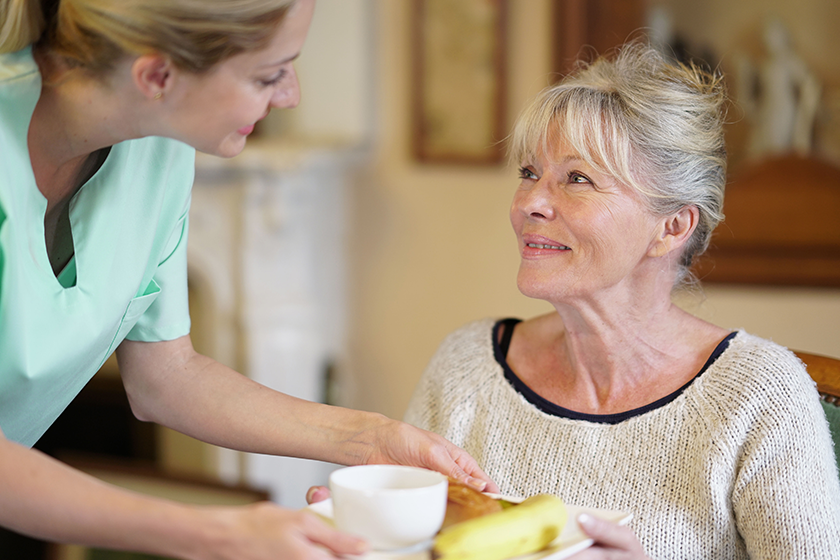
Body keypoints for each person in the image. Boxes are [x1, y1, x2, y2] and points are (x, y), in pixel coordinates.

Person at [0, 0, 495, 558]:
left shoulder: (158, 144)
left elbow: (165, 375)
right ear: (157, 76)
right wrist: (217, 534)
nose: (291, 96)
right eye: (268, 75)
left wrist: (369, 438)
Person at [404, 42, 840, 559]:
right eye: (529, 173)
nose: (530, 203)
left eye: (578, 179)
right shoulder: (466, 366)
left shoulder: (760, 398)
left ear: (672, 227)